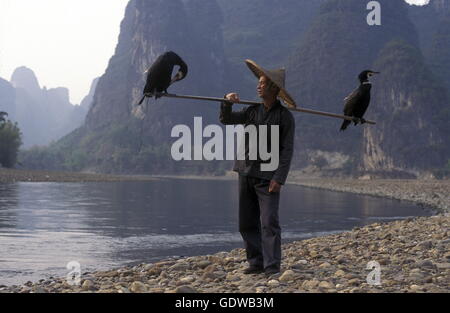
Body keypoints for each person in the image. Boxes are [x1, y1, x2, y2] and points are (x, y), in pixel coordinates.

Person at [220, 60, 296, 276]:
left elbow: (287, 150)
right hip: (245, 172)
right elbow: (226, 119)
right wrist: (227, 102)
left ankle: (272, 267)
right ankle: (256, 262)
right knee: (246, 222)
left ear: (273, 88)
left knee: (269, 221)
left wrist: (279, 178)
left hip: (267, 177)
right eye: (259, 83)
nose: (258, 86)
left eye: (263, 83)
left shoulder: (284, 117)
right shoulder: (251, 112)